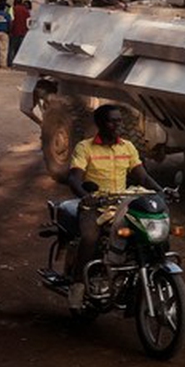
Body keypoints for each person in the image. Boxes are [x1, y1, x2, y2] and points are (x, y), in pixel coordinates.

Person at [61, 105, 159, 308]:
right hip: (95, 206)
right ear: (100, 124)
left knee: (149, 232)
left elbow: (142, 176)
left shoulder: (127, 147)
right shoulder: (85, 147)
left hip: (123, 205)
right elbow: (74, 178)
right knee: (90, 237)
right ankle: (78, 285)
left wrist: (162, 191)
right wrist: (86, 197)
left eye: (119, 121)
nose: (117, 125)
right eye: (111, 121)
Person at [6, 0, 32, 65]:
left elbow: (11, 20)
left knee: (11, 49)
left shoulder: (13, 9)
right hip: (23, 33)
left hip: (14, 32)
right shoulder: (26, 11)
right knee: (20, 49)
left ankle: (10, 63)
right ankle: (19, 63)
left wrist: (9, 30)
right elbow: (29, 22)